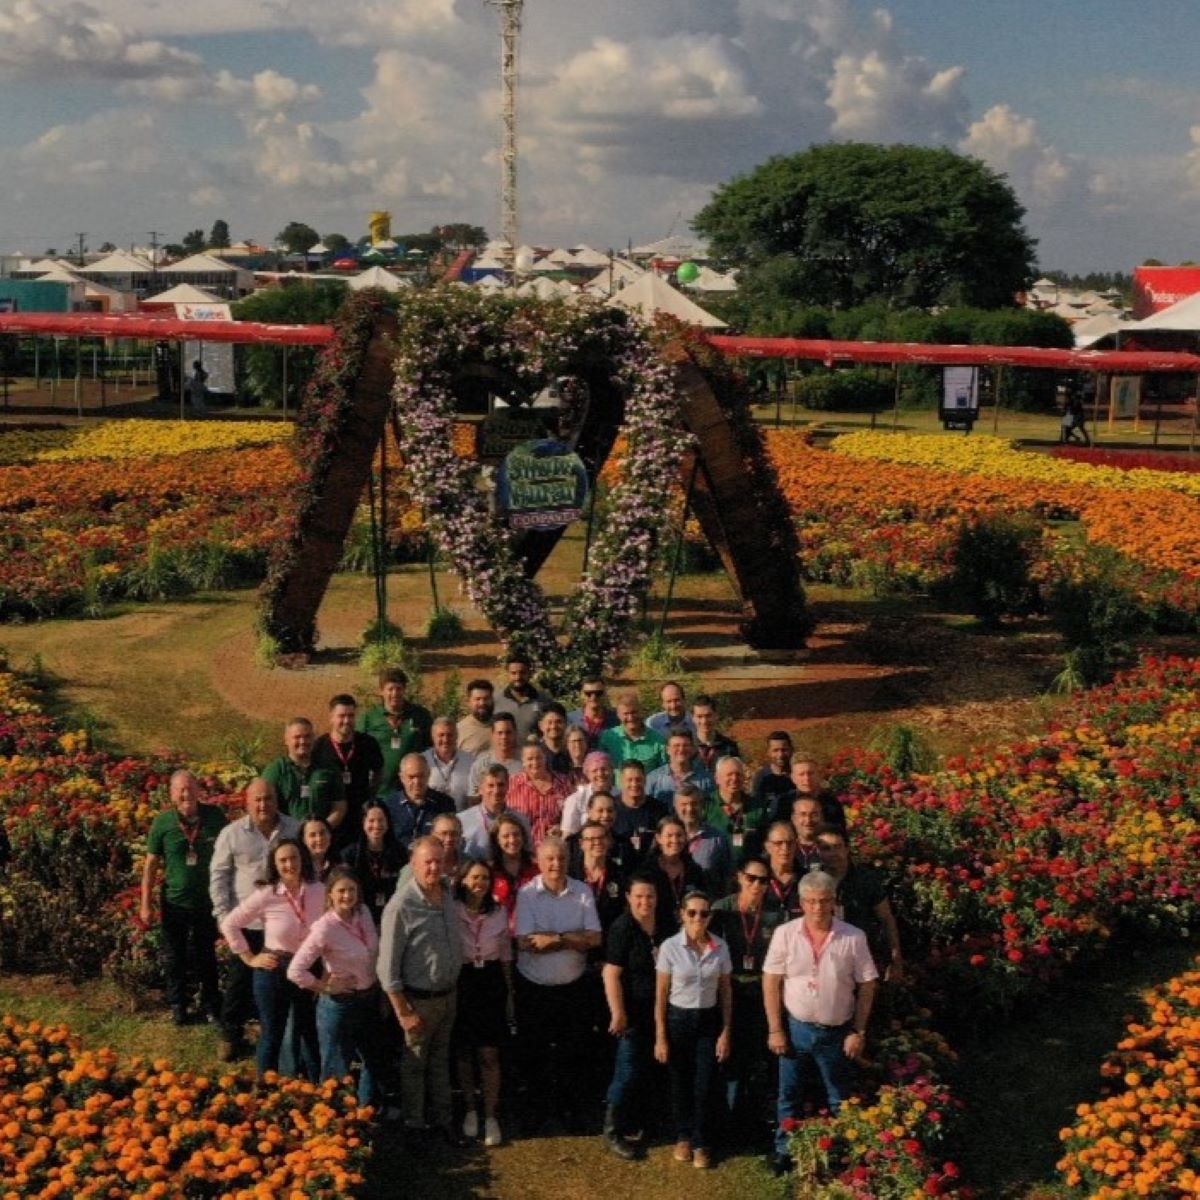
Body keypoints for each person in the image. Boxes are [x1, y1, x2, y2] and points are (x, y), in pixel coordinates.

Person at [763, 870, 879, 1176]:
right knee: (789, 1095)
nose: (817, 908)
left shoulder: (853, 937)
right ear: (801, 902)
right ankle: (783, 1152)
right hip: (795, 1029)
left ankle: (844, 1156)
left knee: (839, 1097)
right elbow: (771, 981)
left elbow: (868, 983)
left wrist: (859, 1030)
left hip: (837, 1033)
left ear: (834, 902)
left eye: (824, 901)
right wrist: (775, 1028)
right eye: (811, 901)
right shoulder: (785, 934)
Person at [378, 835, 464, 1144]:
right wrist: (402, 1011)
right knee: (414, 1066)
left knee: (441, 1061)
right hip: (418, 1000)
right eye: (426, 861)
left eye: (438, 861)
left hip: (448, 996)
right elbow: (386, 968)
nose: (432, 867)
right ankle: (414, 1125)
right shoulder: (401, 906)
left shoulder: (448, 895)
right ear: (413, 864)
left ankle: (443, 1121)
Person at [513, 837, 602, 1133]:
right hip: (535, 987)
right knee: (534, 1054)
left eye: (561, 858)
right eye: (549, 859)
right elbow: (527, 943)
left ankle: (571, 1112)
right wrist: (573, 939)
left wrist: (556, 939)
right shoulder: (526, 894)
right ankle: (537, 1113)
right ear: (539, 861)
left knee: (573, 1053)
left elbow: (595, 938)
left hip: (573, 988)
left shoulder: (582, 891)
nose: (556, 864)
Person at [209, 778, 300, 1061]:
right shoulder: (231, 834)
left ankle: (274, 1035)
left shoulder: (294, 829)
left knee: (279, 983)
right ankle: (230, 1034)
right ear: (246, 803)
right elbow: (219, 876)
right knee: (239, 982)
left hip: (282, 925)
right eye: (257, 800)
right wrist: (224, 917)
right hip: (246, 924)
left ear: (276, 800)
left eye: (268, 798)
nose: (263, 805)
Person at [219, 838, 324, 1078]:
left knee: (309, 1031)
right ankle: (267, 1091)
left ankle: (319, 1090)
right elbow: (230, 924)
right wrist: (248, 958)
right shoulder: (267, 894)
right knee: (272, 1033)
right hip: (275, 968)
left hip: (308, 968)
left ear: (302, 859)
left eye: (294, 858)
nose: (289, 865)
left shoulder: (319, 890)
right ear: (274, 864)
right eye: (283, 860)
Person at [288, 867, 393, 1109]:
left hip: (368, 999)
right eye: (341, 891)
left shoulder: (363, 913)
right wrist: (324, 987)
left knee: (373, 1061)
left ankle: (364, 1113)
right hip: (340, 1006)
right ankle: (334, 1126)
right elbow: (295, 970)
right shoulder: (324, 927)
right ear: (330, 895)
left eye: (352, 890)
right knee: (337, 1069)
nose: (348, 895)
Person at [139, 769, 227, 1026]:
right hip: (174, 902)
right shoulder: (163, 823)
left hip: (206, 902)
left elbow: (229, 855)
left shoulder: (214, 817)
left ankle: (212, 1005)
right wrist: (146, 904)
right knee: (174, 956)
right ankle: (178, 1005)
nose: (187, 794)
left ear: (199, 790)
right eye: (181, 789)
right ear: (172, 794)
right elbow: (151, 865)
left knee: (206, 955)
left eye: (191, 788)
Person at [654, 889, 733, 1170]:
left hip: (708, 1022)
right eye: (692, 913)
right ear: (682, 915)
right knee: (680, 1083)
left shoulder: (720, 947)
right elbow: (661, 995)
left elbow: (725, 993)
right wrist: (661, 1036)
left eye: (703, 913)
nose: (698, 918)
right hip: (678, 1020)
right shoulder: (669, 947)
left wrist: (725, 1031)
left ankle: (701, 1141)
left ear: (710, 916)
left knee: (704, 1084)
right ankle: (683, 1136)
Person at [710, 856, 783, 1133]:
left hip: (761, 992)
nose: (756, 885)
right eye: (751, 878)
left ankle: (750, 1120)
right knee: (728, 1057)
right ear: (740, 877)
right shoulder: (721, 909)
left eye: (763, 880)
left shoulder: (776, 914)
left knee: (756, 1056)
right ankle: (725, 1120)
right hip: (728, 990)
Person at [601, 872, 668, 1160]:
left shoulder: (665, 926)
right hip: (633, 1013)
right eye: (639, 896)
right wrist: (618, 1013)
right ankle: (612, 1130)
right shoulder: (622, 928)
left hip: (661, 1012)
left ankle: (645, 1123)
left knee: (653, 1069)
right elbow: (611, 973)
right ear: (628, 898)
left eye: (650, 896)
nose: (645, 902)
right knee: (627, 1071)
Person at [454, 859, 514, 1148]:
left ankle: (491, 1115)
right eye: (474, 878)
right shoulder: (450, 910)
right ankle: (469, 1109)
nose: (480, 883)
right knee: (464, 1052)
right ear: (462, 880)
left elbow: (504, 956)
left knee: (489, 1054)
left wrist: (509, 993)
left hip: (490, 982)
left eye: (485, 879)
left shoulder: (499, 912)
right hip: (462, 980)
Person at [816, 826, 904, 980]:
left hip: (862, 962)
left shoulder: (866, 880)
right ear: (818, 853)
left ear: (847, 849)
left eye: (837, 847)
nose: (833, 853)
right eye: (826, 848)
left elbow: (886, 919)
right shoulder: (811, 882)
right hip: (823, 964)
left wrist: (895, 959)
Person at [312, 694, 384, 845]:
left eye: (351, 716)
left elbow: (378, 771)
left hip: (360, 817)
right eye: (341, 716)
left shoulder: (368, 743)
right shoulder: (319, 747)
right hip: (331, 818)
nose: (346, 721)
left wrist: (370, 794)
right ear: (331, 717)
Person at [357, 668, 433, 797]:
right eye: (390, 689)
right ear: (381, 691)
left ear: (404, 689)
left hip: (412, 791)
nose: (395, 693)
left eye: (399, 688)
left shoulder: (420, 715)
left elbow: (431, 748)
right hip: (379, 792)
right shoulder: (369, 718)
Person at [262, 717, 345, 826]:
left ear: (314, 738)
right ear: (286, 740)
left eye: (307, 736)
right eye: (297, 737)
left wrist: (322, 830)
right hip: (286, 838)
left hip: (321, 838)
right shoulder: (275, 770)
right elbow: (265, 807)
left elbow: (340, 806)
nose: (303, 741)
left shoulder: (329, 769)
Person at [341, 802, 407, 929]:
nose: (376, 825)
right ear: (363, 823)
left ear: (388, 822)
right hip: (359, 918)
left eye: (381, 820)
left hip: (393, 917)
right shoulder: (349, 855)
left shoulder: (399, 853)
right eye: (371, 820)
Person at [643, 815, 708, 933]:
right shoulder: (647, 870)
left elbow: (703, 901)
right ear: (658, 838)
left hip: (688, 933)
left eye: (679, 835)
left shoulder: (694, 870)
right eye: (669, 836)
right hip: (656, 931)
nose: (675, 840)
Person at [505, 740, 572, 847]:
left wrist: (561, 827)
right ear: (523, 761)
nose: (535, 763)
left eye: (538, 758)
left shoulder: (563, 782)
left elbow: (572, 815)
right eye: (530, 759)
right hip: (523, 848)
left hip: (556, 847)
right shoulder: (512, 784)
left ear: (545, 758)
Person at [459, 765, 529, 861]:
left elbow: (528, 854)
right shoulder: (462, 820)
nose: (496, 791)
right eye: (490, 785)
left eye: (500, 785)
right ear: (480, 789)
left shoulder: (521, 820)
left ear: (508, 786)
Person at [384, 754, 455, 849]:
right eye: (411, 777)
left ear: (429, 774)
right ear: (402, 777)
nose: (417, 782)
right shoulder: (389, 806)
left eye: (421, 776)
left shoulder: (444, 804)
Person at [705, 756, 769, 860]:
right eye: (729, 774)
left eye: (738, 774)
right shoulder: (706, 805)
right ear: (717, 778)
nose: (734, 778)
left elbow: (766, 841)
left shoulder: (758, 807)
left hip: (747, 871)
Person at [673, 783, 732, 894]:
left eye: (694, 804)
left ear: (702, 806)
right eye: (684, 804)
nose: (689, 809)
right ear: (675, 807)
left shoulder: (717, 838)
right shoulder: (668, 838)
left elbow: (727, 878)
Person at [489, 812, 539, 922]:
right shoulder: (489, 871)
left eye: (516, 834)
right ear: (497, 839)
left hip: (532, 930)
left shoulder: (537, 869)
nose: (512, 840)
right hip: (497, 932)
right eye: (506, 836)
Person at [600, 692, 668, 772]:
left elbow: (664, 773)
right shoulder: (608, 738)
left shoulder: (658, 741)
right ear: (618, 715)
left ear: (641, 711)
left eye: (634, 712)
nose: (630, 717)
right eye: (626, 714)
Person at [611, 761, 665, 861]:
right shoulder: (610, 808)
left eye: (638, 779)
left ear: (645, 780)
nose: (634, 784)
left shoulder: (659, 809)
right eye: (629, 780)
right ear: (621, 782)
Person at [646, 730, 714, 807]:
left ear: (692, 749)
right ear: (667, 750)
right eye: (676, 746)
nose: (681, 749)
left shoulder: (706, 779)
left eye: (685, 745)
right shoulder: (653, 779)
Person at [467, 713, 523, 799]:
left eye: (508, 732)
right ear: (492, 734)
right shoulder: (480, 765)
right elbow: (473, 798)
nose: (504, 737)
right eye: (500, 733)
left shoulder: (526, 763)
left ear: (515, 733)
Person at [560, 751, 616, 837]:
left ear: (612, 771)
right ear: (587, 774)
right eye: (594, 771)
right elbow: (568, 836)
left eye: (604, 769)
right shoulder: (575, 800)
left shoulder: (621, 796)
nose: (600, 774)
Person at [423, 717, 473, 811]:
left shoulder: (469, 761)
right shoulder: (423, 761)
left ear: (457, 736)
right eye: (441, 735)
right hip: (431, 818)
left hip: (462, 818)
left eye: (450, 735)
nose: (445, 740)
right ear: (433, 737)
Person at [493, 654, 547, 741]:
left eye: (522, 672)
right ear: (507, 674)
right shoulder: (496, 699)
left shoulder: (543, 699)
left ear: (529, 673)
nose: (518, 677)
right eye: (513, 673)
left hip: (533, 753)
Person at [761, 822, 804, 921]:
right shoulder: (757, 879)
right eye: (778, 843)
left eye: (790, 843)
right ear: (767, 846)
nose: (785, 848)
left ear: (796, 845)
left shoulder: (807, 879)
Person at [691, 696, 739, 773]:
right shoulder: (687, 746)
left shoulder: (729, 747)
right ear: (693, 718)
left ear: (716, 716)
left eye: (708, 716)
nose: (704, 721)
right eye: (699, 717)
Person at [567, 676, 618, 747]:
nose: (593, 697)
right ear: (582, 695)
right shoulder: (570, 720)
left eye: (598, 693)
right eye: (588, 693)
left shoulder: (616, 720)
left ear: (604, 694)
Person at [751, 732, 795, 813]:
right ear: (768, 752)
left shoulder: (799, 774)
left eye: (784, 750)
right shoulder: (761, 777)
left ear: (791, 750)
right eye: (775, 750)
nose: (780, 755)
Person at [456, 678, 496, 756]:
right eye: (477, 699)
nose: (482, 703)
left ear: (492, 699)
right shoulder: (459, 730)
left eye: (486, 698)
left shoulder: (503, 727)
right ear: (469, 701)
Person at [790, 796, 825, 873]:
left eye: (814, 814)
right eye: (803, 814)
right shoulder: (786, 849)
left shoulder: (831, 848)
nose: (808, 820)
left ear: (822, 818)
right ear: (793, 819)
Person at [537, 702, 572, 775]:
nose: (553, 726)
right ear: (541, 725)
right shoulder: (535, 755)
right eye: (549, 722)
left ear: (566, 723)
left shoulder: (572, 752)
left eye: (558, 722)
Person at [300, 816, 335, 883]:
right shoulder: (299, 867)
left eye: (322, 833)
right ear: (304, 840)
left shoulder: (340, 865)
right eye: (312, 835)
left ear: (330, 835)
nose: (319, 839)